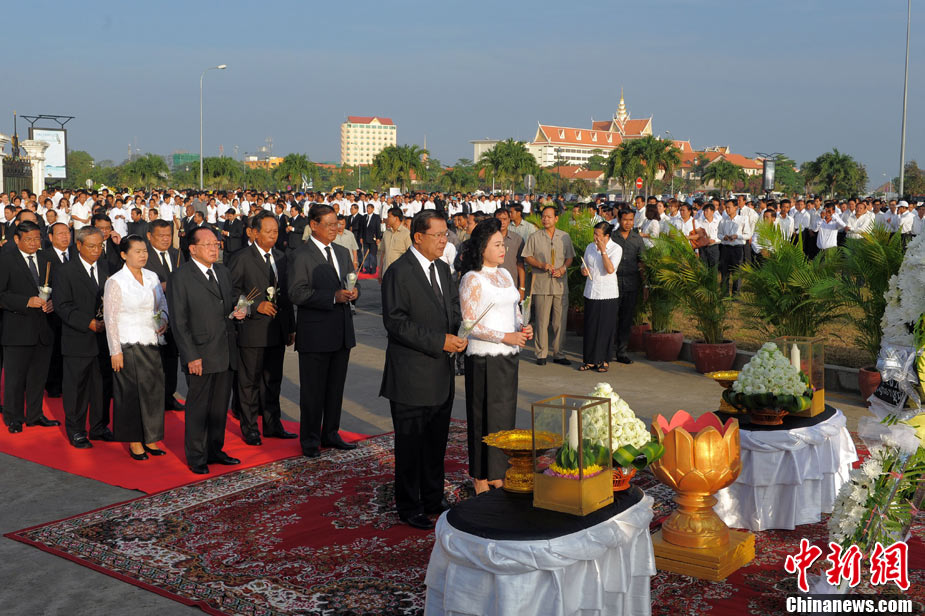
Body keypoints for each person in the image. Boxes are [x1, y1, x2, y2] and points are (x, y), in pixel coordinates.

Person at [380, 210, 466, 530]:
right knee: (410, 445)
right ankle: (409, 504)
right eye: (438, 235)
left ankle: (432, 497)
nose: (445, 240)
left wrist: (461, 332)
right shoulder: (399, 272)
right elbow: (396, 323)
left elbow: (452, 308)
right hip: (411, 375)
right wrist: (439, 341)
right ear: (418, 237)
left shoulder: (442, 268)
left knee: (435, 441)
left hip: (441, 372)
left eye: (446, 234)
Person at [458, 218, 532, 494]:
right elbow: (470, 325)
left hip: (508, 355)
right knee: (482, 417)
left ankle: (498, 472)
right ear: (482, 248)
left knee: (503, 416)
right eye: (497, 245)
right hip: (484, 358)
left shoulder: (505, 274)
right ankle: (480, 476)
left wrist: (522, 328)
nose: (503, 249)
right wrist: (505, 336)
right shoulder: (472, 278)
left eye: (503, 244)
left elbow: (515, 310)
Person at [168, 227, 245, 474]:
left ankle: (215, 449)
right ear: (193, 249)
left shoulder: (222, 271)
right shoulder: (180, 277)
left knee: (219, 407)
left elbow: (231, 301)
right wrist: (190, 355)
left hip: (225, 349)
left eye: (216, 244)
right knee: (199, 408)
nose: (214, 249)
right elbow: (179, 321)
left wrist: (242, 309)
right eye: (208, 244)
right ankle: (197, 456)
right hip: (200, 353)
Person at [287, 204, 360, 458]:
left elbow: (351, 280)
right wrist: (332, 297)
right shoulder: (301, 255)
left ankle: (331, 433)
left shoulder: (341, 252)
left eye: (336, 223)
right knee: (313, 391)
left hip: (341, 332)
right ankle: (310, 439)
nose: (334, 228)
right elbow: (296, 292)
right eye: (329, 224)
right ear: (313, 225)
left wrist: (355, 292)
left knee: (335, 389)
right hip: (315, 335)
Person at [230, 212, 297, 446]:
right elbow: (230, 294)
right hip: (252, 330)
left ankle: (272, 424)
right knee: (249, 383)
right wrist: (255, 306)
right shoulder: (242, 258)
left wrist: (290, 327)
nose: (273, 236)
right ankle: (250, 428)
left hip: (276, 331)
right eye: (268, 231)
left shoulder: (281, 257)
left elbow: (286, 295)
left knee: (273, 380)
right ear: (254, 233)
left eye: (276, 231)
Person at [104, 236, 169, 460]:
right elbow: (110, 319)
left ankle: (151, 437)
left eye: (145, 251)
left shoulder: (152, 276)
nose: (143, 255)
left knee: (153, 391)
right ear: (124, 255)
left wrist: (164, 319)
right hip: (127, 342)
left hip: (151, 340)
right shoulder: (116, 281)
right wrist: (115, 351)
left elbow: (162, 303)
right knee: (131, 394)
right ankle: (134, 440)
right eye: (137, 251)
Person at [54, 226, 115, 448]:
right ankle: (76, 430)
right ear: (78, 245)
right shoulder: (65, 271)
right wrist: (88, 322)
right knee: (76, 388)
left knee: (101, 387)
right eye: (91, 246)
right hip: (78, 338)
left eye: (100, 246)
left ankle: (99, 426)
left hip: (104, 340)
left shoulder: (108, 267)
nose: (96, 250)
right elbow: (62, 305)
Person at [0, 220, 59, 433]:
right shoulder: (6, 260)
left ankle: (35, 414)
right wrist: (26, 301)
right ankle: (13, 417)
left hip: (44, 329)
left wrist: (54, 302)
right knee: (15, 379)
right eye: (29, 239)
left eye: (37, 238)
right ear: (17, 240)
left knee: (38, 377)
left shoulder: (47, 259)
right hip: (17, 329)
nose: (34, 243)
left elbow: (57, 287)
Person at [522, 205, 574, 366]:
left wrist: (563, 269)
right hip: (541, 284)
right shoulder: (535, 236)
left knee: (560, 322)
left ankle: (559, 353)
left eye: (549, 216)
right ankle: (541, 353)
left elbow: (570, 257)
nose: (545, 219)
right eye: (543, 216)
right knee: (542, 321)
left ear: (556, 219)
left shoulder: (564, 237)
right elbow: (527, 256)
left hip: (560, 285)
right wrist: (541, 265)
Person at [145, 219, 186, 411]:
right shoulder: (144, 256)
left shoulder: (177, 254)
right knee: (154, 360)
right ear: (149, 236)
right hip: (153, 315)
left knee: (171, 358)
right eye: (160, 236)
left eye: (168, 235)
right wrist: (159, 287)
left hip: (176, 314)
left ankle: (169, 395)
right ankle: (154, 399)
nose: (165, 239)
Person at [580, 221, 622, 372]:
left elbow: (610, 269)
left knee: (605, 327)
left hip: (607, 294)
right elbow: (584, 264)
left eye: (598, 235)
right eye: (594, 234)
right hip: (591, 291)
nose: (595, 237)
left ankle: (603, 360)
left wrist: (603, 251)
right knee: (590, 326)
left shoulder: (616, 249)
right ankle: (590, 360)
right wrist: (583, 270)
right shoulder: (590, 247)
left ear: (606, 236)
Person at [611, 209, 645, 364]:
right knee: (611, 318)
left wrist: (645, 285)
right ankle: (606, 350)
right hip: (612, 284)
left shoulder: (637, 239)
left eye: (631, 220)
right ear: (619, 220)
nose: (628, 223)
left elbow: (642, 262)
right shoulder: (611, 237)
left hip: (631, 284)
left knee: (626, 319)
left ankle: (622, 352)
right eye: (625, 219)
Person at [379, 207, 412, 280]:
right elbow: (383, 253)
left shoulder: (406, 234)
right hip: (386, 272)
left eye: (389, 216)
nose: (387, 219)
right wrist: (380, 271)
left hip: (400, 274)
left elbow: (410, 255)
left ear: (396, 218)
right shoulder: (386, 233)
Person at [361, 203, 382, 273]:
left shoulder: (376, 217)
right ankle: (367, 268)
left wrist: (378, 238)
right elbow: (362, 228)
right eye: (367, 208)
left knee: (373, 255)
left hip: (373, 238)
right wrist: (361, 237)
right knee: (366, 254)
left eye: (369, 208)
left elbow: (378, 228)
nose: (368, 210)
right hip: (365, 238)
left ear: (373, 209)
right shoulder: (364, 217)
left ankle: (373, 268)